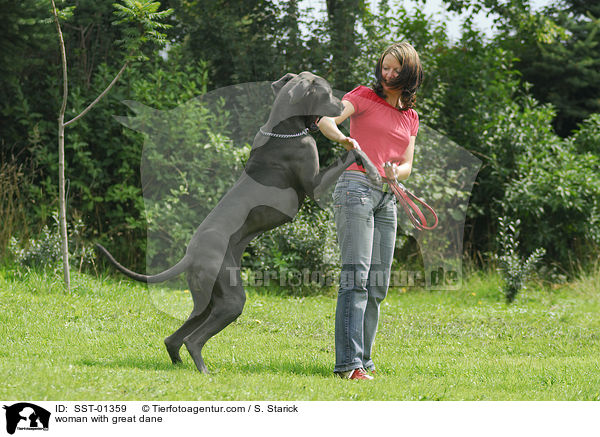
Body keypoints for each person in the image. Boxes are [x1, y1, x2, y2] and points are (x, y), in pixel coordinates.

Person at [318, 42, 423, 380]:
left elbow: (407, 164)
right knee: (356, 279)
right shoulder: (363, 95)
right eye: (385, 67)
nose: (388, 75)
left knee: (377, 285)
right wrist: (342, 139)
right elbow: (326, 119)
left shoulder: (410, 117)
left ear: (410, 75)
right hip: (356, 189)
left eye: (396, 70)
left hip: (386, 196)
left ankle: (363, 358)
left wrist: (396, 172)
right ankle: (349, 365)